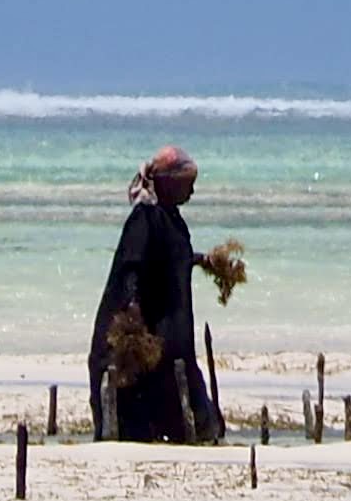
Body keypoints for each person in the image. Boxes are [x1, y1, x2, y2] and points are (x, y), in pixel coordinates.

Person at [87, 147, 241, 440]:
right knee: (138, 384)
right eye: (188, 184)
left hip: (168, 324)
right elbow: (133, 263)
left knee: (175, 376)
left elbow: (169, 256)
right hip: (149, 322)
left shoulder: (170, 218)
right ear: (169, 183)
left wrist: (204, 261)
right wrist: (132, 309)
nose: (193, 192)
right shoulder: (144, 217)